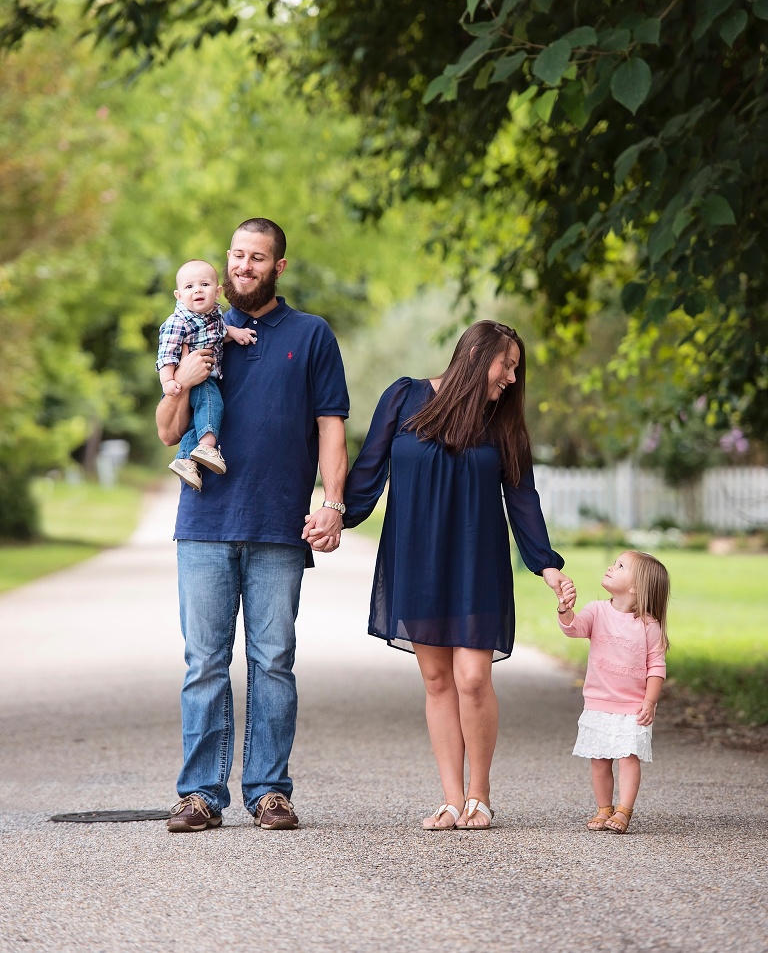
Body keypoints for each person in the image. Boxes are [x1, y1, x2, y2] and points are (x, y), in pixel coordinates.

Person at [156, 218, 349, 833]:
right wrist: (183, 382)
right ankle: (200, 794)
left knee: (273, 662)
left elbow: (331, 426)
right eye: (237, 255)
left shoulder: (311, 335)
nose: (244, 266)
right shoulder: (198, 328)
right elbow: (166, 431)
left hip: (277, 525)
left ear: (278, 267)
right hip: (204, 521)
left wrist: (333, 503)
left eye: (257, 257)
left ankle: (269, 791)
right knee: (204, 663)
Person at [340, 320, 572, 831]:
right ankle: (450, 799)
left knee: (472, 677)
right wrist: (335, 516)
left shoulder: (503, 425)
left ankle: (479, 795)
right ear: (474, 356)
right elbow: (368, 470)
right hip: (417, 558)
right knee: (437, 678)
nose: (512, 378)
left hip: (476, 561)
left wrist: (547, 564)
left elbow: (523, 498)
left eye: (516, 369)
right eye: (506, 365)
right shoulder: (404, 397)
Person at [556, 550, 670, 834]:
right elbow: (574, 629)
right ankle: (604, 808)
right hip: (599, 703)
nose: (611, 566)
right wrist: (565, 609)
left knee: (628, 758)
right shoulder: (597, 610)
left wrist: (650, 701)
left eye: (620, 566)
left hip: (632, 707)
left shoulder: (649, 625)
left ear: (636, 588)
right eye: (614, 562)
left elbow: (656, 667)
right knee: (599, 760)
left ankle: (624, 810)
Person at [156, 259, 257, 491]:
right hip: (198, 378)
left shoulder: (213, 317)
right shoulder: (178, 321)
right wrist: (169, 381)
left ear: (218, 291)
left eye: (204, 284)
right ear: (179, 295)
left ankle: (184, 459)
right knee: (213, 404)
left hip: (204, 376)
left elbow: (221, 333)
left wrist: (235, 333)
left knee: (196, 420)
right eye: (189, 287)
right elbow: (167, 354)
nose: (197, 290)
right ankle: (207, 446)